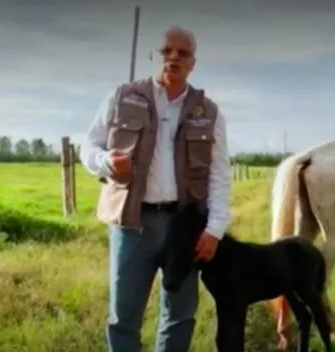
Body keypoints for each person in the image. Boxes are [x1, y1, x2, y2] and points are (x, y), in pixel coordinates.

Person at [79, 25, 231, 352]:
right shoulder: (121, 97)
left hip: (184, 224)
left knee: (180, 314)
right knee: (124, 316)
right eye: (167, 51)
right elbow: (87, 146)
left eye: (183, 53)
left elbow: (219, 174)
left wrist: (215, 229)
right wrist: (106, 161)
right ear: (154, 56)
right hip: (132, 224)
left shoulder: (210, 112)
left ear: (193, 63)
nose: (173, 57)